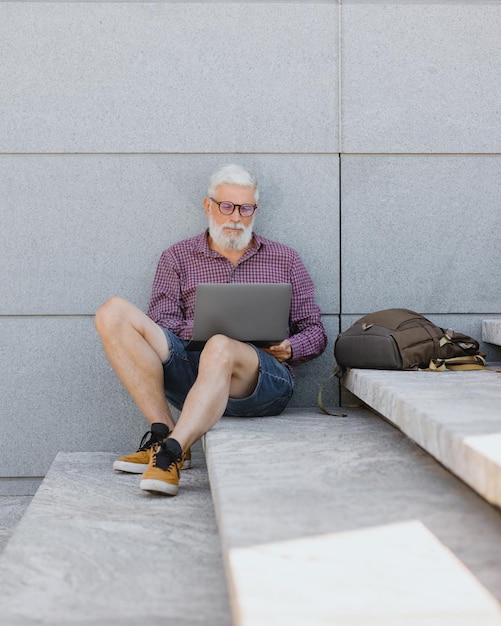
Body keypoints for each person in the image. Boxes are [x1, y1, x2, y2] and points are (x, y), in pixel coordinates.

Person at [95, 164, 327, 497]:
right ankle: (163, 432)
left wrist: (290, 347)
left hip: (261, 381)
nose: (236, 217)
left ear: (255, 210)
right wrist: (207, 327)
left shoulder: (285, 259)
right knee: (112, 311)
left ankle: (171, 453)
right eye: (227, 206)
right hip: (194, 373)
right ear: (209, 206)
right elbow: (163, 322)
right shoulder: (176, 257)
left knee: (221, 345)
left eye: (245, 208)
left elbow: (315, 331)